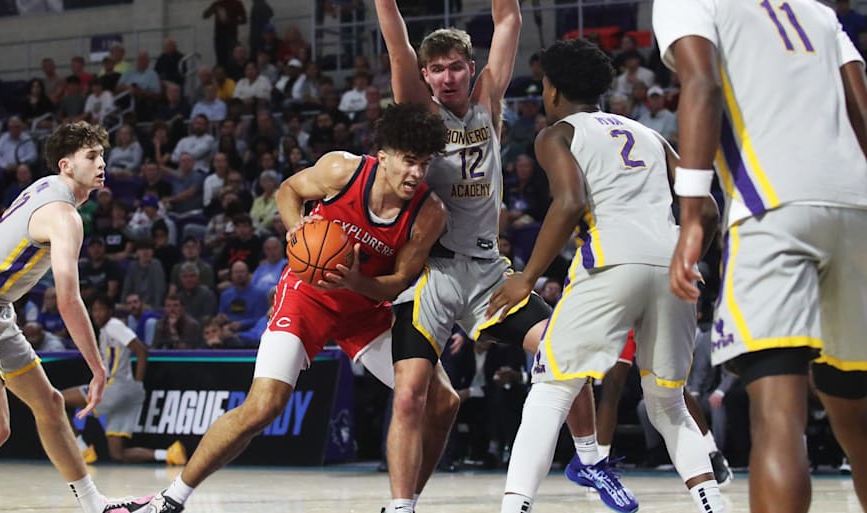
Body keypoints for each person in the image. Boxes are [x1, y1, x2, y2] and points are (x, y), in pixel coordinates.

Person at [121, 102, 457, 513]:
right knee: (263, 406)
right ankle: (171, 499)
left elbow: (400, 280)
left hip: (366, 306)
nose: (417, 174)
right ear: (384, 156)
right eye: (409, 162)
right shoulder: (342, 170)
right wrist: (297, 227)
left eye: (425, 164)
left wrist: (355, 282)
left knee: (444, 401)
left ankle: (404, 504)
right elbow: (289, 191)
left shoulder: (429, 212)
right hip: (306, 295)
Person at [374, 4, 625, 513]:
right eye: (437, 69)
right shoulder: (421, 111)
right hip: (434, 272)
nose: (447, 77)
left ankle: (590, 458)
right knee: (409, 396)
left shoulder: (488, 100)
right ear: (425, 76)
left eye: (456, 67)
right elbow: (397, 42)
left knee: (564, 350)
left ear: (473, 69)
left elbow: (508, 20)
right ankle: (401, 506)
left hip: (489, 272)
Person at [487, 40, 723, 513]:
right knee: (669, 404)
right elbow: (709, 210)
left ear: (551, 91)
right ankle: (713, 504)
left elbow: (570, 202)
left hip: (612, 261)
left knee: (552, 389)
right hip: (674, 265)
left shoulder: (557, 135)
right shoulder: (650, 135)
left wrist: (527, 277)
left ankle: (514, 508)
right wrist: (687, 259)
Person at [654, 1, 867, 511]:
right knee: (856, 419)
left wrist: (690, 217)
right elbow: (861, 106)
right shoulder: (816, 10)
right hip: (856, 208)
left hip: (772, 210)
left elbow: (701, 87)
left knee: (778, 415)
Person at [0, 121, 143, 512]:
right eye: (91, 156)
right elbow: (68, 301)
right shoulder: (64, 216)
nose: (101, 163)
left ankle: (95, 506)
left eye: (102, 156)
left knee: (51, 405)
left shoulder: (43, 187)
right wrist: (97, 367)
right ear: (66, 165)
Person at [61, 295, 188, 466]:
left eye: (101, 309)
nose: (97, 314)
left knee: (57, 401)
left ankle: (82, 449)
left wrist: (138, 382)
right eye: (94, 310)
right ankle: (169, 454)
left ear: (110, 311)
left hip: (116, 387)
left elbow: (141, 350)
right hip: (128, 394)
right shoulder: (106, 330)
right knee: (118, 454)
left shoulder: (114, 325)